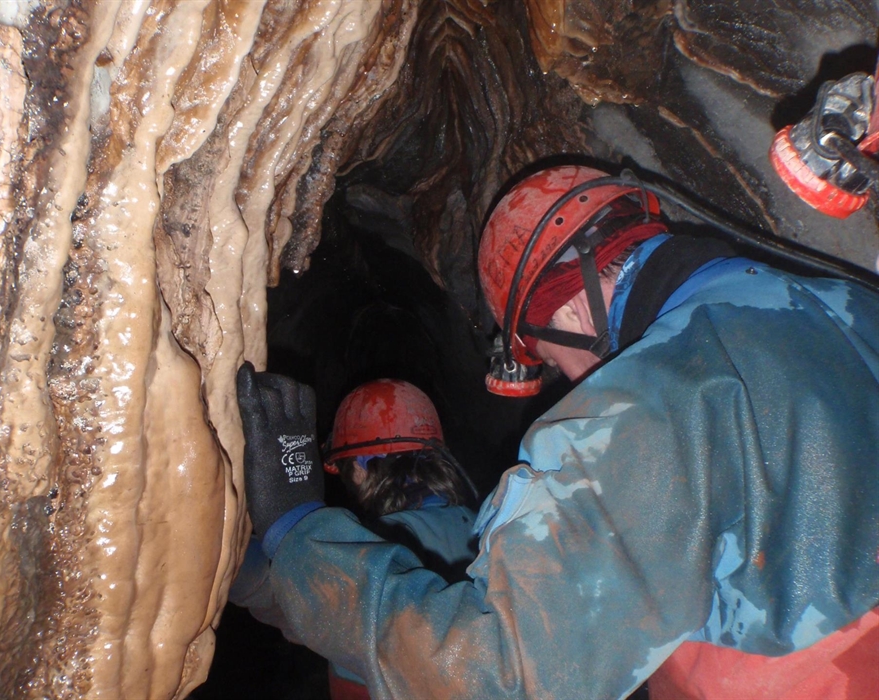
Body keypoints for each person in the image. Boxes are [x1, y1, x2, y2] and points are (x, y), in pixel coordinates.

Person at [236, 163, 879, 699]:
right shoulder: (853, 306)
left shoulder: (631, 418)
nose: (570, 378)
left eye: (546, 356)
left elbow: (502, 676)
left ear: (572, 307)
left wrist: (296, 535)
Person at [230, 378, 477, 700]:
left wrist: (227, 550)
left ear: (360, 468)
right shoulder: (483, 526)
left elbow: (299, 599)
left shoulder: (378, 544)